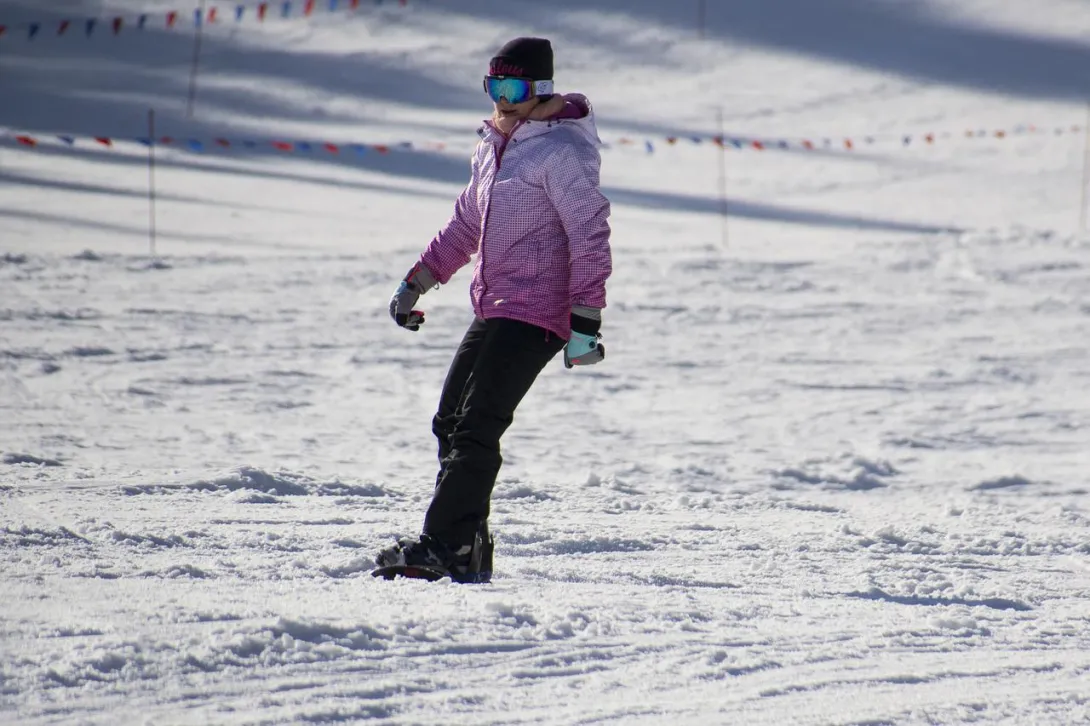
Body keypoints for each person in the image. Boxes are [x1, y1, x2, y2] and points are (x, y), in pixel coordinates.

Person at [375, 37, 613, 583]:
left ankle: (446, 544)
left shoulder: (563, 152)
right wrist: (418, 281)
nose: (503, 100)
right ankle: (469, 545)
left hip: (538, 310)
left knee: (477, 425)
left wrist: (586, 321)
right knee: (450, 421)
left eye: (515, 88)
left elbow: (589, 234)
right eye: (494, 87)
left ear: (541, 90)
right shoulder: (491, 146)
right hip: (495, 302)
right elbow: (465, 226)